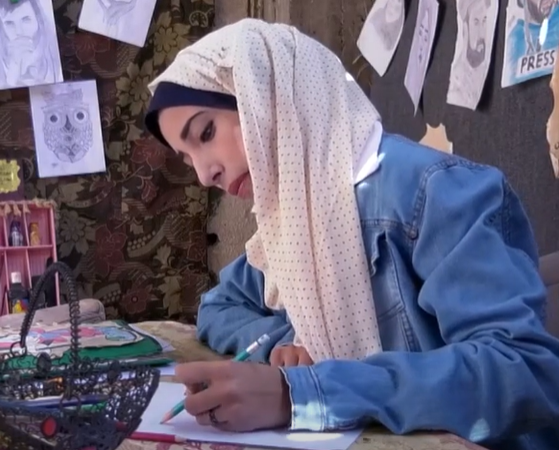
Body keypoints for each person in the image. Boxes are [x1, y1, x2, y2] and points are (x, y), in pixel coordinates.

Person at [143, 18, 559, 450]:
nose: (204, 174)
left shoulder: (436, 193)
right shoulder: (292, 223)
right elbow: (219, 306)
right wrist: (288, 343)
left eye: (206, 133)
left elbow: (523, 371)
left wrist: (299, 392)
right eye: (187, 158)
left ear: (268, 92)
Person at [0, 0, 60, 89]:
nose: (19, 32)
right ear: (1, 27)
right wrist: (13, 73)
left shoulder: (54, 47)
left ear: (38, 18)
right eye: (9, 23)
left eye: (26, 20)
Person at [447, 0, 492, 108]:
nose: (481, 33)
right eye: (476, 23)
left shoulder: (486, 68)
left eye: (484, 21)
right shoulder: (457, 82)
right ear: (465, 28)